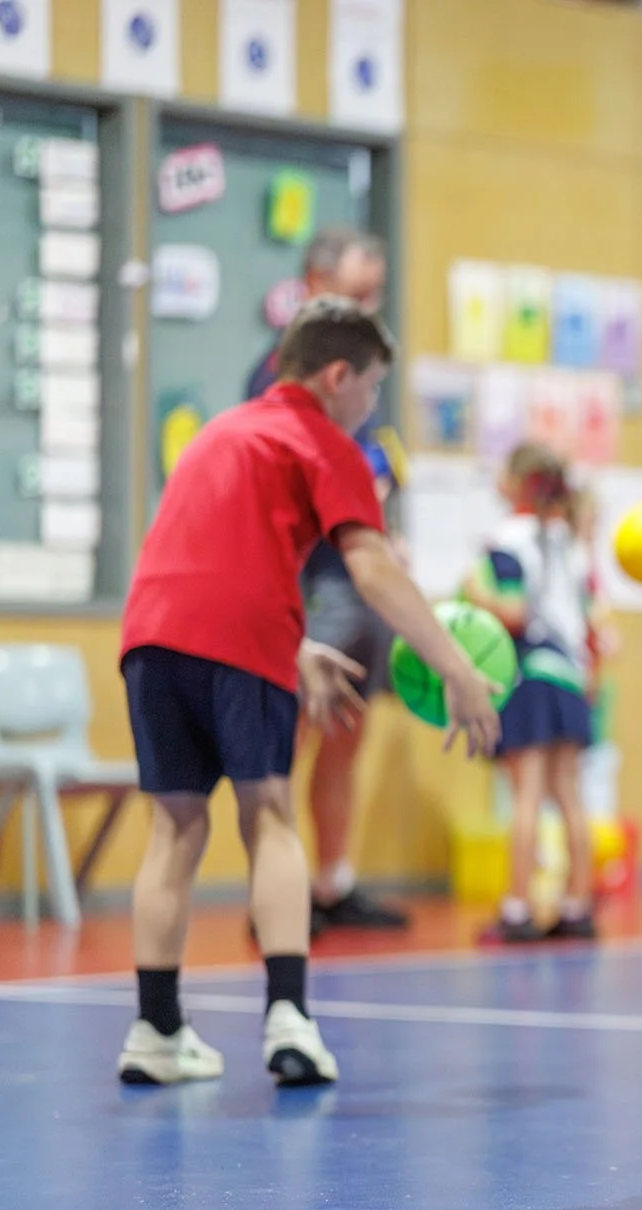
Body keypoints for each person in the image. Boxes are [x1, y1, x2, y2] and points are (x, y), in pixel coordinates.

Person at [117, 297, 501, 1086]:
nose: (370, 407)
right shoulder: (327, 442)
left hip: (149, 639)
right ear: (337, 376)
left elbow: (205, 568)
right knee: (270, 818)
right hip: (240, 640)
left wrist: (296, 648)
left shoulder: (220, 432)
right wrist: (457, 668)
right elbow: (372, 569)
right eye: (370, 388)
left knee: (174, 828)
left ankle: (155, 1030)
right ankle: (289, 1021)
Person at [245, 226, 412, 931]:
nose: (370, 304)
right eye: (357, 292)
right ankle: (273, 892)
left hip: (361, 578)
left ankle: (330, 885)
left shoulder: (362, 381)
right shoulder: (283, 371)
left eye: (376, 292)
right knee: (294, 735)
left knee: (347, 732)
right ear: (315, 285)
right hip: (315, 582)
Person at [465, 445, 598, 944]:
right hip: (570, 673)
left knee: (524, 794)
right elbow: (588, 615)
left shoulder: (507, 538)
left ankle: (518, 908)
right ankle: (577, 904)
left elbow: (515, 612)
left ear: (517, 482)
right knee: (568, 794)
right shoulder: (570, 540)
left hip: (530, 670)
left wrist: (475, 594)